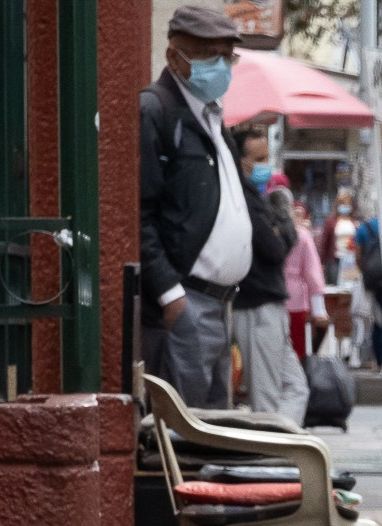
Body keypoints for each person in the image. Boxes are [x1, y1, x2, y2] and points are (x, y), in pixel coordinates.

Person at [138, 5, 253, 408]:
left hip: (221, 303)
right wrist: (171, 295)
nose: (221, 67)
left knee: (213, 430)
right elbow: (139, 213)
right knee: (182, 431)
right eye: (209, 55)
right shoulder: (156, 111)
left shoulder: (212, 117)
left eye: (227, 57)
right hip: (186, 300)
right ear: (174, 56)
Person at [230, 130, 310, 424]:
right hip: (256, 303)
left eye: (268, 158)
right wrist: (287, 222)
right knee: (267, 398)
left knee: (295, 387)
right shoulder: (245, 198)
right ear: (241, 162)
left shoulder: (258, 198)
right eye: (259, 159)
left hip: (269, 302)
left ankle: (281, 451)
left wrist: (280, 224)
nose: (266, 166)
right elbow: (274, 248)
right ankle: (270, 457)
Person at [273, 187, 328, 359]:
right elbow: (312, 272)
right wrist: (319, 309)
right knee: (295, 350)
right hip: (295, 299)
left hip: (269, 297)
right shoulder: (302, 235)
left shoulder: (265, 232)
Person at [351, 207, 382, 372]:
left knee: (376, 318)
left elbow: (357, 255)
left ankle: (377, 358)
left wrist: (366, 271)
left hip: (371, 278)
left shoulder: (363, 228)